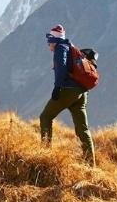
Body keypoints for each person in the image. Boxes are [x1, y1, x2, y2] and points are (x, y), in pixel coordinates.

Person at [40, 25, 95, 166]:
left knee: (45, 117)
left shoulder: (60, 49)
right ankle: (91, 165)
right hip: (81, 92)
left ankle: (44, 156)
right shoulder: (70, 46)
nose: (48, 45)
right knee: (83, 129)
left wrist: (57, 87)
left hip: (68, 90)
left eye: (49, 41)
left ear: (54, 40)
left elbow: (61, 67)